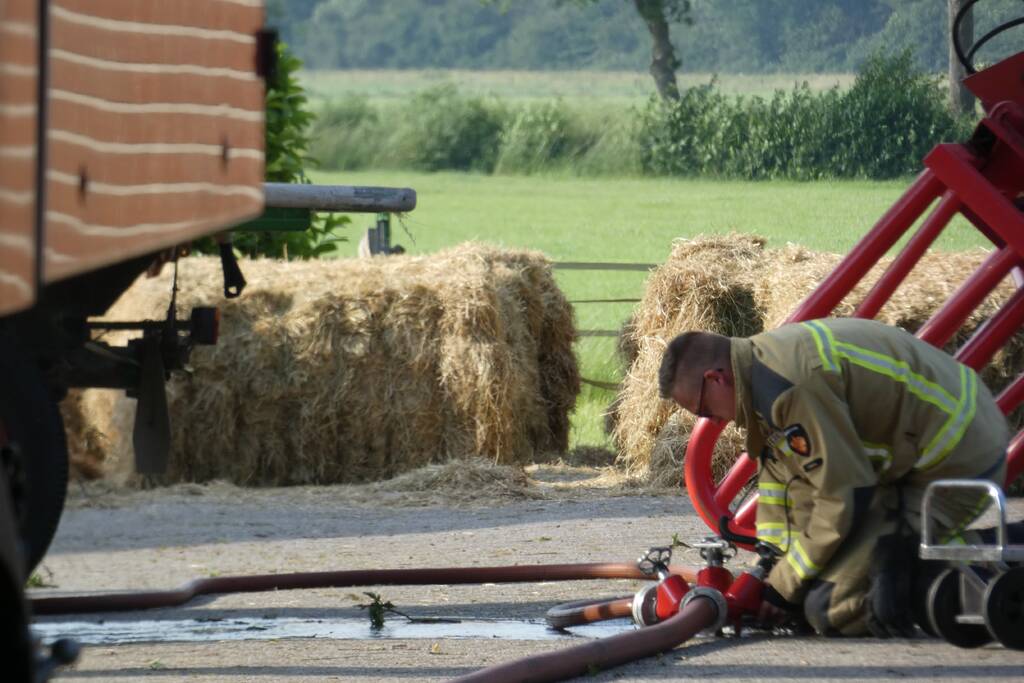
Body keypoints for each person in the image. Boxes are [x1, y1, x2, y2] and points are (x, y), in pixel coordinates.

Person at [658, 317, 1011, 637]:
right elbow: (790, 483)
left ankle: (989, 563)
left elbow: (842, 496)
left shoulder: (788, 388)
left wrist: (785, 585)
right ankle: (921, 558)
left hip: (955, 457)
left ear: (716, 378)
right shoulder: (763, 372)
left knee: (827, 606)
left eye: (703, 409)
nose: (715, 420)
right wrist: (770, 565)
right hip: (913, 458)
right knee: (811, 588)